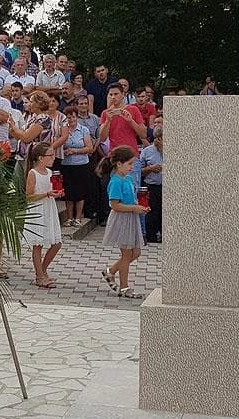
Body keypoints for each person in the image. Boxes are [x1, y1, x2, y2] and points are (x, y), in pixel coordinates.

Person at [101, 145, 148, 298]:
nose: (131, 167)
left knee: (136, 252)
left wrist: (140, 206)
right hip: (121, 219)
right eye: (129, 164)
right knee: (127, 254)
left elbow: (131, 198)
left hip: (131, 217)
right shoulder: (115, 181)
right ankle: (124, 287)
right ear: (119, 164)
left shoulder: (127, 178)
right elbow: (114, 205)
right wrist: (134, 208)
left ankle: (111, 271)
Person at [21, 142, 63, 288]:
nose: (53, 158)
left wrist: (56, 193)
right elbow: (28, 196)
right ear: (40, 158)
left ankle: (43, 269)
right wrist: (46, 194)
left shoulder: (50, 173)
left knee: (56, 243)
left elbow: (51, 189)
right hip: (37, 209)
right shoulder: (33, 173)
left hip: (48, 208)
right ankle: (39, 276)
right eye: (50, 155)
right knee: (37, 244)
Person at [59, 103, 94, 227]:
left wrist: (74, 151)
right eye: (68, 117)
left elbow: (89, 148)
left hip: (81, 165)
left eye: (73, 117)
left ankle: (78, 217)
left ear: (76, 117)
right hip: (66, 165)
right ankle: (69, 218)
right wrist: (64, 152)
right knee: (68, 192)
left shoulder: (83, 130)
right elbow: (58, 145)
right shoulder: (62, 131)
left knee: (80, 192)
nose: (71, 119)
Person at [139, 119, 164, 243]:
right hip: (152, 187)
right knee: (151, 214)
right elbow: (139, 171)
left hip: (167, 188)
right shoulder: (146, 151)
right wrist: (150, 168)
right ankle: (151, 237)